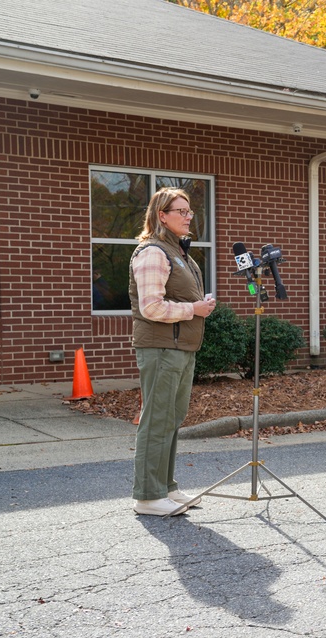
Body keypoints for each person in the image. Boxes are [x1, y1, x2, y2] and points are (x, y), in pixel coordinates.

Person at [128, 188, 215, 516]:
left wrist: (199, 306)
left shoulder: (179, 253)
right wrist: (194, 308)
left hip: (180, 347)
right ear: (161, 215)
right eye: (180, 211)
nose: (188, 216)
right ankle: (148, 496)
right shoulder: (153, 252)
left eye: (190, 211)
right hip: (161, 348)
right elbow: (151, 307)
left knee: (171, 419)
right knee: (157, 420)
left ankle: (165, 488)